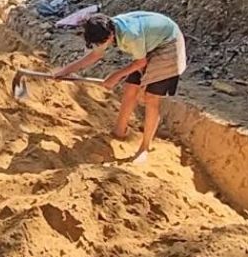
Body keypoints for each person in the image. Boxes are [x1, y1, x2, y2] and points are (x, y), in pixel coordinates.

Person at [52, 11, 187, 165]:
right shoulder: (106, 28)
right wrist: (65, 71)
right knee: (130, 87)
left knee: (151, 98)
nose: (99, 46)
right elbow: (94, 55)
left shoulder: (131, 34)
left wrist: (116, 76)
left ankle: (144, 148)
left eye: (100, 43)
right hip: (149, 44)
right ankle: (119, 131)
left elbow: (140, 63)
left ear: (109, 36)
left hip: (169, 45)